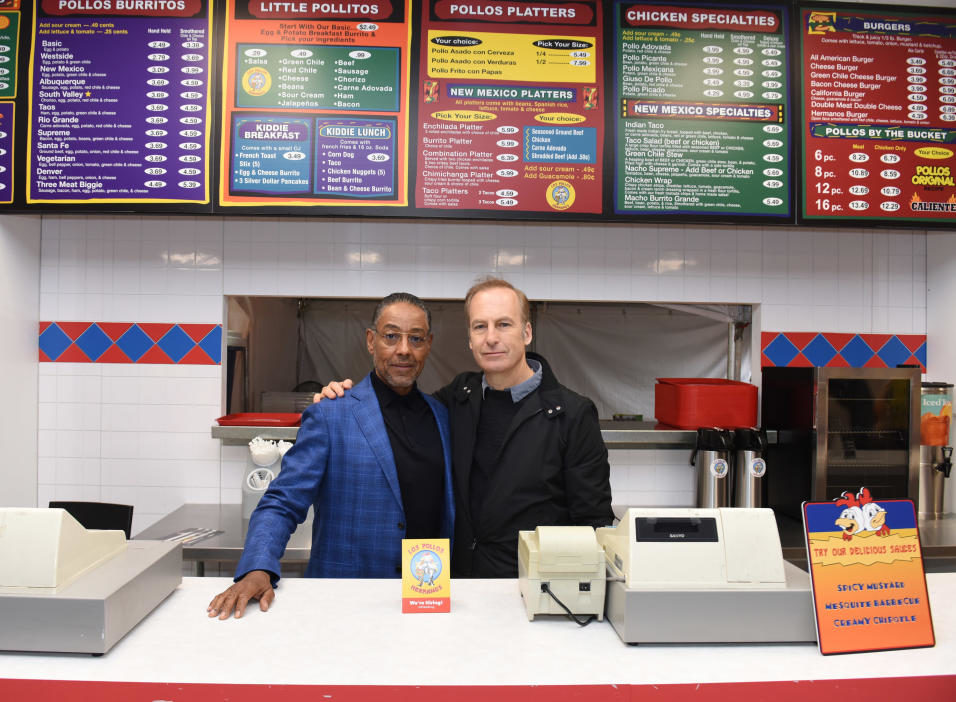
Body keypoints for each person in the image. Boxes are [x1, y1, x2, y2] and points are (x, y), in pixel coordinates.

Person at [317, 278, 613, 578]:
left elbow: (594, 523)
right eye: (480, 326)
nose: (491, 338)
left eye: (504, 324)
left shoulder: (571, 414)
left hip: (530, 590)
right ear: (470, 338)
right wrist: (341, 398)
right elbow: (396, 408)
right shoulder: (457, 398)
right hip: (458, 588)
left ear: (527, 332)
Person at [208, 293, 455, 619]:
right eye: (391, 336)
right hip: (346, 600)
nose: (404, 349)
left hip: (426, 597)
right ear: (371, 340)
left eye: (416, 338)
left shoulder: (441, 416)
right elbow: (283, 501)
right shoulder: (331, 414)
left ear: (429, 344)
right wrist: (258, 567)